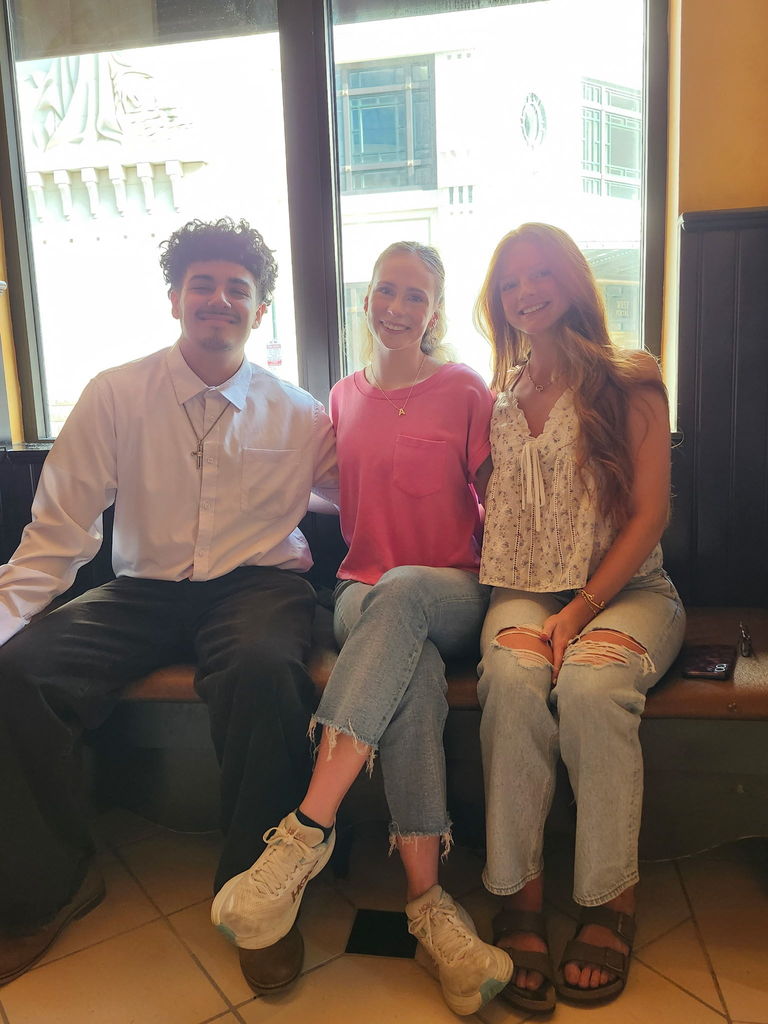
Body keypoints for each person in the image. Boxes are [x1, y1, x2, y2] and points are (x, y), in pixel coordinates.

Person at [0, 217, 337, 993]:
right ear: (176, 299)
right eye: (202, 286)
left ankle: (260, 900)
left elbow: (362, 491)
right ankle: (47, 887)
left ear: (259, 311)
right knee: (18, 676)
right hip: (141, 591)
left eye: (237, 290)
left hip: (260, 587)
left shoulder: (300, 413)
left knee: (261, 671)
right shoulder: (115, 394)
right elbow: (58, 530)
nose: (218, 300)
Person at [211, 240, 514, 1015]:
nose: (399, 308)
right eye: (387, 291)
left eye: (416, 296)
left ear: (435, 312)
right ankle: (429, 911)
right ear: (368, 300)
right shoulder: (339, 400)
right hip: (359, 591)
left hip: (451, 588)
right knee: (404, 670)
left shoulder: (465, 390)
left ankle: (305, 832)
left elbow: (502, 507)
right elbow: (301, 485)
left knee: (407, 596)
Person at [473, 223, 685, 1011]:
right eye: (509, 281)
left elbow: (650, 515)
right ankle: (520, 896)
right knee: (514, 680)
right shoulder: (502, 394)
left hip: (629, 589)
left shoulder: (631, 378)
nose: (525, 291)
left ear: (572, 280)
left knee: (594, 691)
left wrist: (582, 613)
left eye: (540, 273)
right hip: (523, 588)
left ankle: (608, 899)